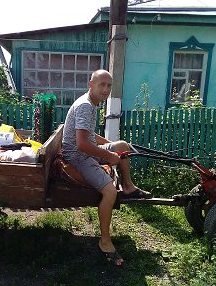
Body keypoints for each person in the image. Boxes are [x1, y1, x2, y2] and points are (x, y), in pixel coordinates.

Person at [61, 69, 151, 266]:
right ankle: (105, 240)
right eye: (101, 84)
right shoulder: (86, 106)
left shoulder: (91, 103)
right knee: (110, 192)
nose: (106, 89)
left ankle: (128, 186)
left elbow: (89, 136)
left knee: (123, 146)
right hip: (78, 157)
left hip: (85, 151)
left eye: (109, 85)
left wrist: (112, 146)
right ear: (91, 85)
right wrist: (108, 155)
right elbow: (82, 144)